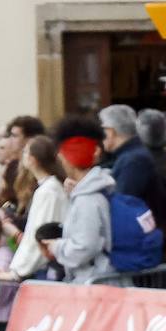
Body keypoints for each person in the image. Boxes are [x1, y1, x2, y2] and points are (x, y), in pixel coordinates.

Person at [45, 115, 114, 283]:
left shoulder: (87, 200)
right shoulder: (98, 190)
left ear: (65, 158)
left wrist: (55, 247)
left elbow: (84, 247)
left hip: (93, 287)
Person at [100, 104, 166, 231]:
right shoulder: (130, 157)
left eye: (102, 129)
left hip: (139, 242)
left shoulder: (134, 161)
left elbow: (121, 206)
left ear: (110, 132)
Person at [8, 136, 68, 280]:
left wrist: (18, 271)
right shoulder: (49, 188)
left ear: (33, 159)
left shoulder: (48, 191)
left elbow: (38, 235)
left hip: (43, 270)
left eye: (25, 152)